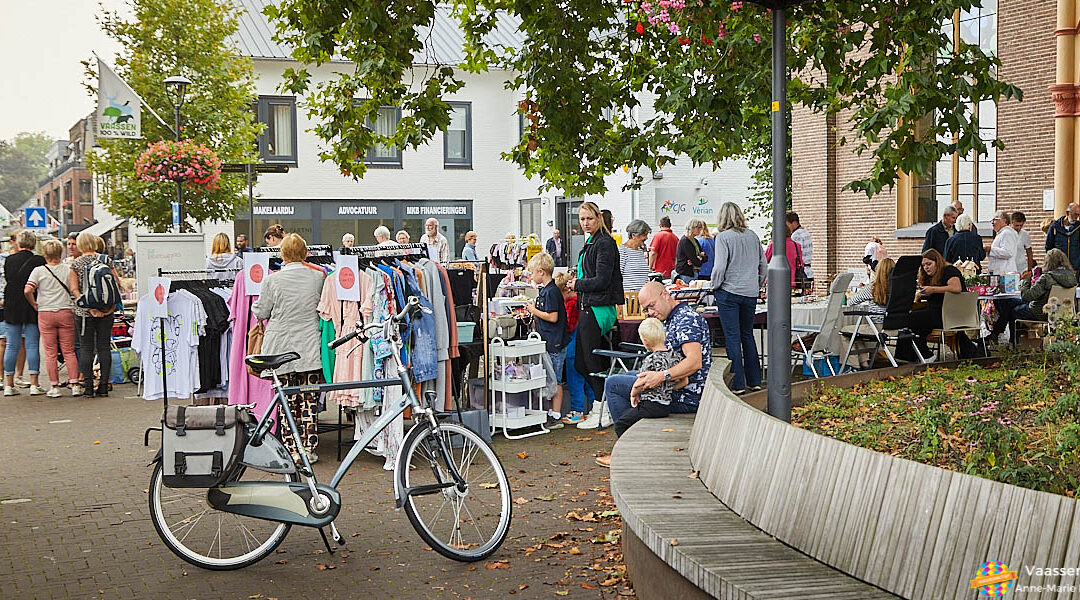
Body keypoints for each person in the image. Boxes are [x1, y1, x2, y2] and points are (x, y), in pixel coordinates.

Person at [595, 281, 712, 465]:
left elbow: (694, 361)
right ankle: (635, 444)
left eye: (651, 306)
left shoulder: (687, 319)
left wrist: (661, 376)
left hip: (686, 396)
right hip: (677, 386)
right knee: (628, 377)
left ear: (665, 295)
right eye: (646, 309)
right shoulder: (674, 317)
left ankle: (628, 451)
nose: (650, 313)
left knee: (613, 384)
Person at [251, 233, 326, 464]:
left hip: (280, 346)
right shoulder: (318, 277)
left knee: (286, 401)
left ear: (282, 254)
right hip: (309, 344)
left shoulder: (272, 280)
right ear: (305, 254)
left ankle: (292, 449)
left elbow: (261, 312)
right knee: (308, 399)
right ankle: (309, 448)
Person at [568, 202, 623, 429]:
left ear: (598, 218)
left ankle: (602, 408)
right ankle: (602, 404)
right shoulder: (592, 242)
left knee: (591, 361)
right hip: (588, 306)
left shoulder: (605, 243)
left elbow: (602, 280)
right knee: (583, 361)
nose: (585, 223)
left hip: (597, 308)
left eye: (589, 218)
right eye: (582, 219)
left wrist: (577, 283)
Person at [711, 202, 766, 394]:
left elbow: (719, 268)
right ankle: (755, 380)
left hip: (729, 292)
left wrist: (714, 286)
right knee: (747, 335)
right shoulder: (753, 236)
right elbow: (763, 266)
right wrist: (756, 285)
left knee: (732, 337)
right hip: (750, 293)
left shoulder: (723, 238)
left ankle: (738, 383)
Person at [612, 317, 687, 437]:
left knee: (621, 424)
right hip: (666, 406)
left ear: (645, 341)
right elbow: (684, 381)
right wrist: (668, 387)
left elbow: (639, 383)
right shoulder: (675, 356)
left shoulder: (650, 359)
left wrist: (633, 394)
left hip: (650, 406)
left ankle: (628, 447)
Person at [25, 240, 80, 397]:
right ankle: (74, 383)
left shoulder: (38, 271)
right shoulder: (68, 269)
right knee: (69, 351)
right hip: (65, 311)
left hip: (45, 312)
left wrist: (34, 304)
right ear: (60, 253)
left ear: (44, 254)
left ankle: (54, 387)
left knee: (50, 352)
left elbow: (27, 289)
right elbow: (74, 289)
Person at [69, 232, 121, 397]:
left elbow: (74, 289)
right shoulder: (106, 260)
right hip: (107, 310)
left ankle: (89, 388)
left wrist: (88, 307)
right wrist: (111, 307)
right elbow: (116, 283)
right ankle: (104, 386)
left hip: (84, 313)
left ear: (80, 245)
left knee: (86, 348)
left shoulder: (76, 263)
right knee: (104, 347)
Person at [990, 248, 1078, 344]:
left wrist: (1026, 280)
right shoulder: (1072, 278)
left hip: (1040, 311)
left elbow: (1027, 296)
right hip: (1060, 312)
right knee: (1009, 302)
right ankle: (998, 332)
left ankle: (1013, 342)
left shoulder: (1047, 278)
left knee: (1013, 311)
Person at [525, 253, 566, 430]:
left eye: (533, 272)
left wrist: (534, 310)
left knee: (555, 379)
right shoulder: (546, 290)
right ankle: (550, 412)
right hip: (548, 340)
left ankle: (556, 415)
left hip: (554, 342)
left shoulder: (551, 292)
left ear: (541, 272)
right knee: (550, 378)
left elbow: (553, 317)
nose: (531, 276)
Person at [902, 249, 966, 362]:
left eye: (929, 264)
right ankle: (914, 355)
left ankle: (923, 354)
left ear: (938, 262)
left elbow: (956, 288)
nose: (926, 268)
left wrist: (933, 289)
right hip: (938, 312)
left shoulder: (949, 271)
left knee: (910, 320)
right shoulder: (929, 277)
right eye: (923, 265)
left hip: (950, 313)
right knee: (914, 321)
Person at [3, 229, 45, 396]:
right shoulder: (39, 260)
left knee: (12, 345)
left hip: (12, 304)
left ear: (19, 243)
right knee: (32, 344)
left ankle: (8, 384)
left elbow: (8, 278)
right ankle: (34, 384)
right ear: (34, 244)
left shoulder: (9, 260)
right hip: (31, 303)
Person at [554, 272, 594, 425]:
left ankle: (577, 409)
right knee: (585, 377)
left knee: (574, 377)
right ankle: (593, 405)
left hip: (572, 346)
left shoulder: (571, 304)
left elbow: (569, 325)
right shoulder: (580, 301)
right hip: (581, 344)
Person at [848, 257, 895, 324]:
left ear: (878, 270)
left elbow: (851, 302)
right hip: (897, 327)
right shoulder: (899, 287)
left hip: (877, 327)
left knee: (844, 330)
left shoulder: (873, 287)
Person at [1045, 202, 1080, 272]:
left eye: (1078, 215)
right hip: (1058, 267)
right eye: (1075, 214)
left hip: (1076, 267)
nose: (1076, 217)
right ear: (1067, 213)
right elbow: (1049, 246)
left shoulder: (1078, 227)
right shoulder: (1055, 227)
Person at [619, 219, 652, 292]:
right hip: (629, 298)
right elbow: (617, 277)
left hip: (642, 297)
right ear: (634, 235)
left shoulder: (640, 251)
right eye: (644, 235)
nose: (646, 238)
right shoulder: (622, 251)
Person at [987, 210, 1020, 274]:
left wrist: (990, 249)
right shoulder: (1001, 233)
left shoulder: (1007, 233)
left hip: (1005, 272)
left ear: (1004, 220)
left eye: (995, 220)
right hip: (1001, 271)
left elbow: (1008, 252)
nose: (992, 223)